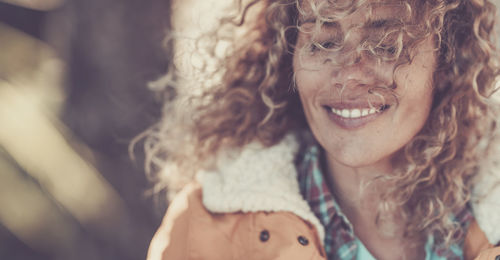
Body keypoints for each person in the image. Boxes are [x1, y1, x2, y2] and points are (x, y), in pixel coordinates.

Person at [144, 0, 500, 259]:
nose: (348, 74)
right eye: (324, 42)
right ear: (288, 56)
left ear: (449, 58)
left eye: (388, 46)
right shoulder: (203, 230)